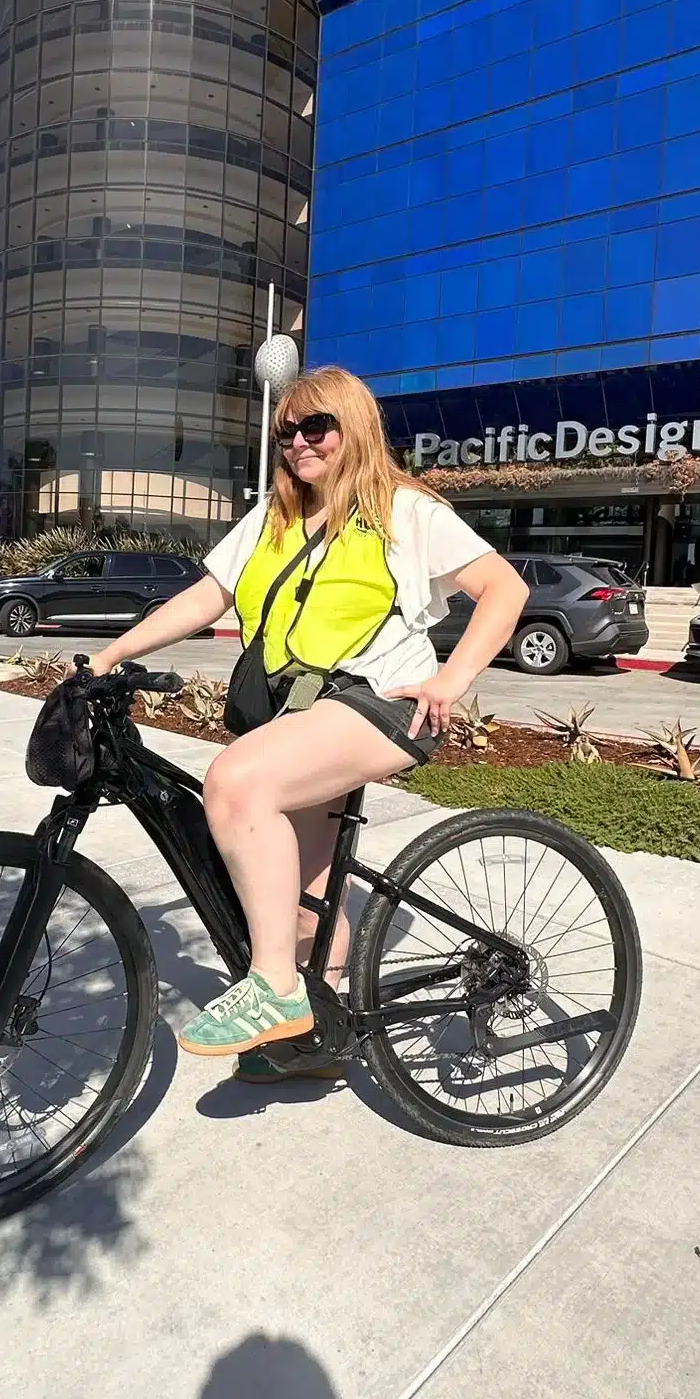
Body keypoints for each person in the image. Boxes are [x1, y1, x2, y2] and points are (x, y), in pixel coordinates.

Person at [87, 365, 528, 1081]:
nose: (297, 443)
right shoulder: (274, 518)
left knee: (234, 783)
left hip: (383, 702)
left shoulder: (403, 511)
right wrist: (109, 655)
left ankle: (276, 989)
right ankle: (318, 1041)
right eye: (286, 431)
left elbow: (505, 588)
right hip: (306, 713)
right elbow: (205, 599)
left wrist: (453, 678)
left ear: (353, 427)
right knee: (300, 903)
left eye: (314, 426)